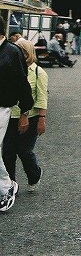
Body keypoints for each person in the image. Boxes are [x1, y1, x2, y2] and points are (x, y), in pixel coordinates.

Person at [2, 39, 48, 192]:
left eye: (23, 50)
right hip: (10, 116)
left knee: (24, 151)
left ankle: (34, 174)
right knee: (7, 151)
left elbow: (41, 97)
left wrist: (41, 118)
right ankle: (10, 184)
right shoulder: (10, 67)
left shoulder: (38, 72)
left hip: (31, 116)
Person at [0, 14, 34, 212]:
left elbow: (23, 83)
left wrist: (25, 110)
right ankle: (6, 185)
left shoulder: (12, 52)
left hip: (3, 106)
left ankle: (7, 186)